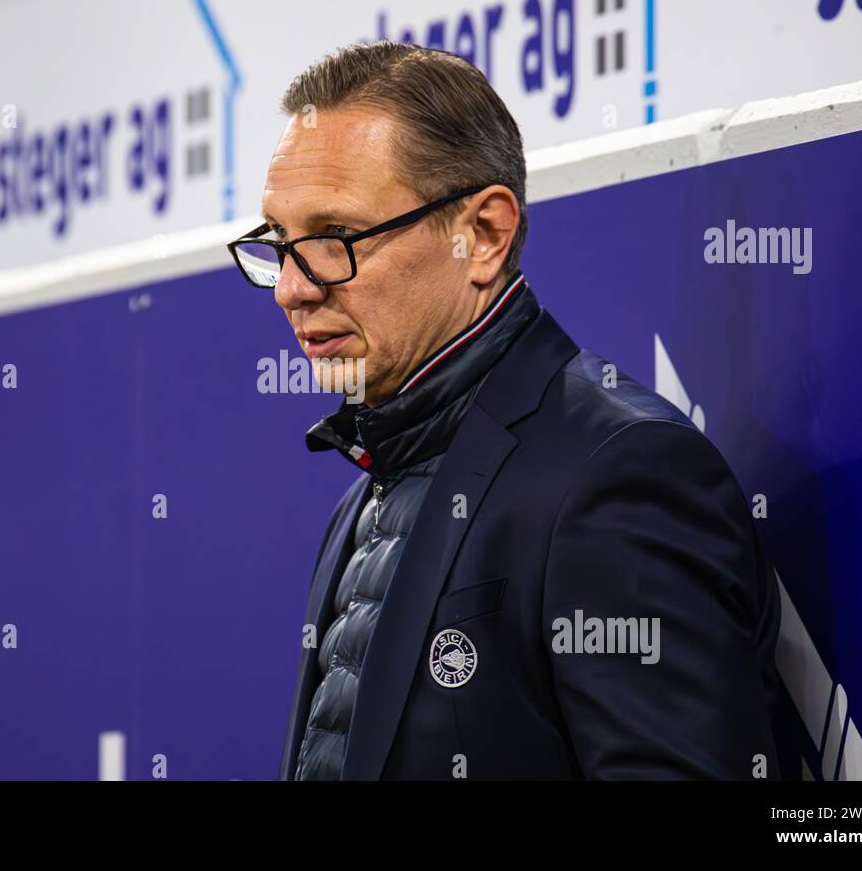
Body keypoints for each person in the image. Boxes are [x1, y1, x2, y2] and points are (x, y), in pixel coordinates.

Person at [229, 40, 781, 780]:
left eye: (332, 239)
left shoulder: (618, 474)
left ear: (482, 235)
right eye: (277, 242)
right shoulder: (363, 495)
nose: (293, 289)